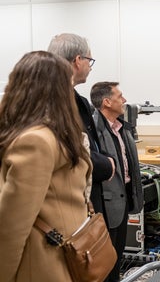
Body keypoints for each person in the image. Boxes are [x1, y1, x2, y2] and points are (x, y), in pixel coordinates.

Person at [0, 51, 92, 281]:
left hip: (37, 267)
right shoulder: (65, 136)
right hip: (66, 260)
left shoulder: (34, 142)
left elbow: (12, 227)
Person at [47, 33, 115, 219]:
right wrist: (107, 164)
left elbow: (90, 145)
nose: (90, 67)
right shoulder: (50, 101)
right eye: (89, 60)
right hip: (63, 204)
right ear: (78, 60)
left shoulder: (79, 101)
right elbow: (66, 149)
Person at [90, 82, 144, 282]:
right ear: (106, 102)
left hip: (122, 204)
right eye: (120, 96)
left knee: (117, 258)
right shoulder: (94, 130)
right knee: (105, 262)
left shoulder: (122, 127)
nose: (125, 100)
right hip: (104, 207)